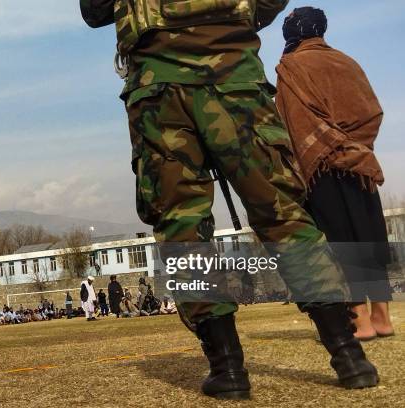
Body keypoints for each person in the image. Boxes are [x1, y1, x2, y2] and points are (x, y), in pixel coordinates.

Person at [81, 0, 378, 399]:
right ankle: (349, 356)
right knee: (283, 214)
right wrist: (231, 22)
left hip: (160, 91)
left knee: (181, 225)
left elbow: (95, 10)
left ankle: (227, 368)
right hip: (237, 80)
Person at [276, 7, 394, 342]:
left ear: (293, 34)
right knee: (367, 233)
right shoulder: (348, 62)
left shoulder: (291, 67)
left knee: (338, 238)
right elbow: (371, 111)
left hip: (320, 167)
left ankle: (359, 320)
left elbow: (290, 128)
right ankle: (383, 317)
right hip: (360, 164)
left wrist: (327, 144)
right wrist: (352, 145)